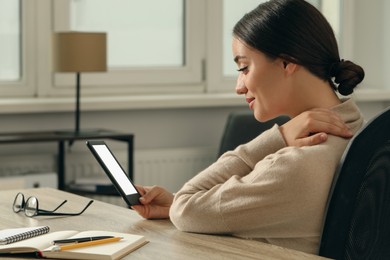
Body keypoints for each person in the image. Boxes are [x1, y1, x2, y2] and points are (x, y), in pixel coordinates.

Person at [132, 0, 365, 255]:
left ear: (287, 63)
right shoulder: (361, 132)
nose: (239, 86)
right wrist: (175, 203)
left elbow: (186, 208)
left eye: (244, 68)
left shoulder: (297, 164)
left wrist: (280, 136)